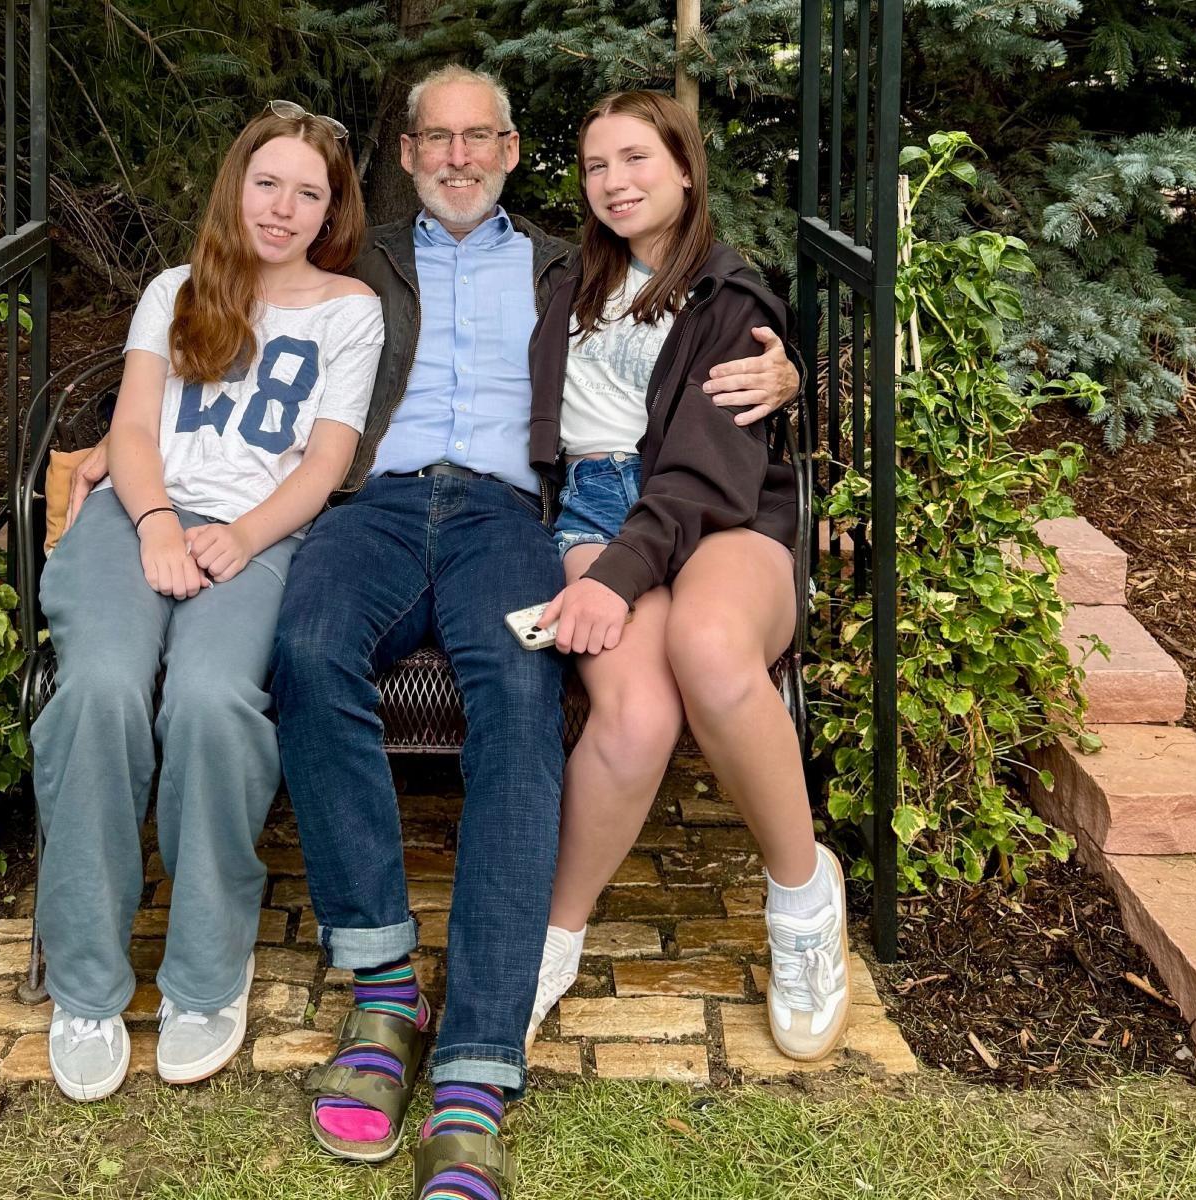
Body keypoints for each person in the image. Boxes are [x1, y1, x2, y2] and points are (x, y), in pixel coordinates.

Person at [268, 67, 800, 1198]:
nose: (458, 157)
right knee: (308, 651)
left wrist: (780, 364)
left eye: (482, 138)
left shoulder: (576, 260)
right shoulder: (350, 261)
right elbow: (226, 308)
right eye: (435, 141)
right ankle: (383, 988)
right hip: (373, 505)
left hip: (511, 517)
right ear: (405, 156)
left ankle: (476, 1058)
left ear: (512, 152)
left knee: (516, 695)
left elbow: (692, 312)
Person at [32, 103, 383, 1102]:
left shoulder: (349, 312)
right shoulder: (175, 292)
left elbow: (324, 465)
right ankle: (89, 986)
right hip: (138, 519)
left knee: (211, 701)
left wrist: (239, 535)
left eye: (307, 193)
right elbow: (134, 429)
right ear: (238, 185)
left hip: (263, 535)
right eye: (267, 182)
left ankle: (202, 972)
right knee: (99, 688)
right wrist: (154, 527)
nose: (282, 207)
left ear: (329, 211)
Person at [523, 91, 848, 1065]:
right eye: (595, 167)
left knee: (709, 648)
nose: (615, 182)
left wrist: (612, 582)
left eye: (635, 160)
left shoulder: (731, 300)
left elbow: (704, 477)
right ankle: (550, 939)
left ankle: (801, 896)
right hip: (592, 511)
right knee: (636, 714)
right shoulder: (563, 280)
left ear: (685, 170)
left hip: (722, 515)